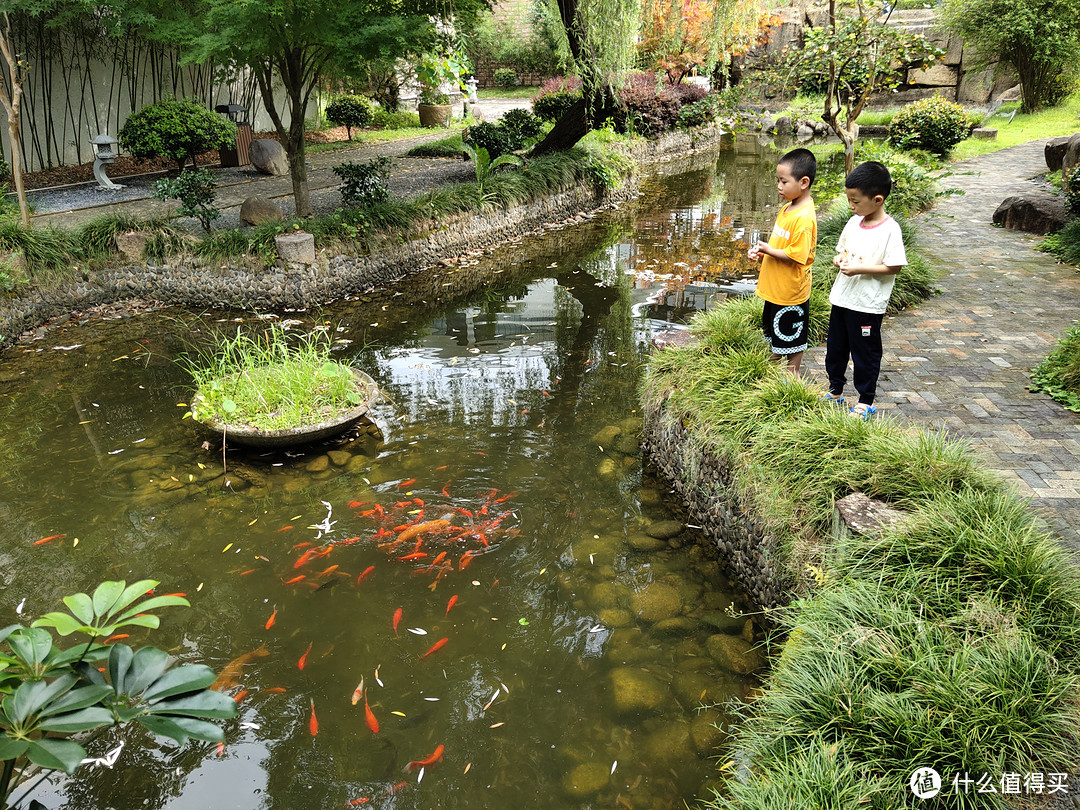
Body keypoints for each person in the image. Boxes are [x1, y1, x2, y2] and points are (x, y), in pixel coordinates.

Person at [824, 161, 908, 419]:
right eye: (849, 200)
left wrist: (861, 270)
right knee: (835, 348)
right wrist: (839, 260)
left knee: (865, 353)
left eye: (856, 201)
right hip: (842, 298)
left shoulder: (890, 230)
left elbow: (894, 267)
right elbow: (842, 252)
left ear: (878, 199)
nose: (851, 206)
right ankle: (835, 390)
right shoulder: (853, 223)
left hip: (867, 305)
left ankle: (865, 400)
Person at [747, 148, 817, 377]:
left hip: (790, 291)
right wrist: (764, 253)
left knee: (791, 334)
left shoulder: (804, 218)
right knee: (776, 331)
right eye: (778, 180)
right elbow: (780, 246)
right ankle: (775, 365)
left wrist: (770, 250)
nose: (779, 186)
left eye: (783, 181)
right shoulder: (788, 208)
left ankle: (792, 375)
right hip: (776, 288)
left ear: (803, 182)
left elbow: (797, 254)